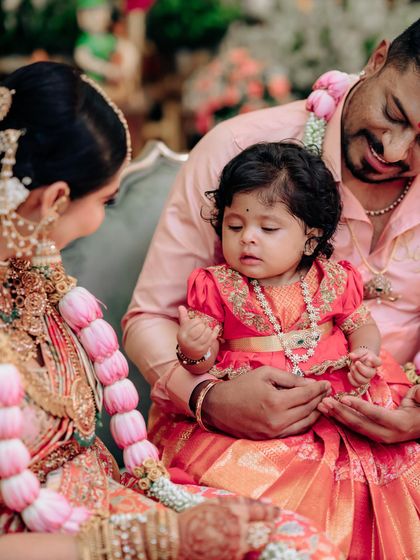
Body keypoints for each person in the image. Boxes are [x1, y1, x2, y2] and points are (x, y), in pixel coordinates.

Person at [0, 62, 343, 560]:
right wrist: (162, 538)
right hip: (57, 542)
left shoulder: (37, 279)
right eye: (106, 199)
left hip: (105, 502)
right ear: (54, 200)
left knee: (292, 542)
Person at [122, 18, 420, 558]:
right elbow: (150, 319)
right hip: (239, 434)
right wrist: (208, 397)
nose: (396, 150)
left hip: (400, 439)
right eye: (395, 114)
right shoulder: (242, 150)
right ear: (377, 60)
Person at [177, 141, 383, 398]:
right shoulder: (217, 287)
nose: (247, 238)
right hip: (255, 404)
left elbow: (362, 326)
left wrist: (364, 353)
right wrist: (194, 351)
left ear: (310, 239)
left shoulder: (332, 280)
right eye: (235, 227)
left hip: (335, 393)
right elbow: (202, 366)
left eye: (268, 229)